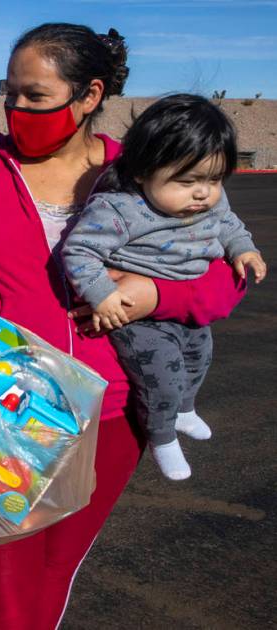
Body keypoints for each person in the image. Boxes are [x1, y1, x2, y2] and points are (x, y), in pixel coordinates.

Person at [0, 23, 246, 629]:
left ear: (88, 96)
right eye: (10, 93)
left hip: (112, 412)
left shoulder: (145, 172)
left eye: (35, 96)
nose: (16, 109)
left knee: (57, 566)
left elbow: (225, 279)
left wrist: (153, 293)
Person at [62, 94, 266, 480]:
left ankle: (186, 411)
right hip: (138, 321)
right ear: (141, 172)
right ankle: (161, 437)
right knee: (162, 376)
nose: (203, 193)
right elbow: (79, 251)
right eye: (187, 181)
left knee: (199, 358)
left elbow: (230, 227)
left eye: (213, 179)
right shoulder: (121, 210)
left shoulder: (210, 205)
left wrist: (244, 250)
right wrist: (103, 294)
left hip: (183, 313)